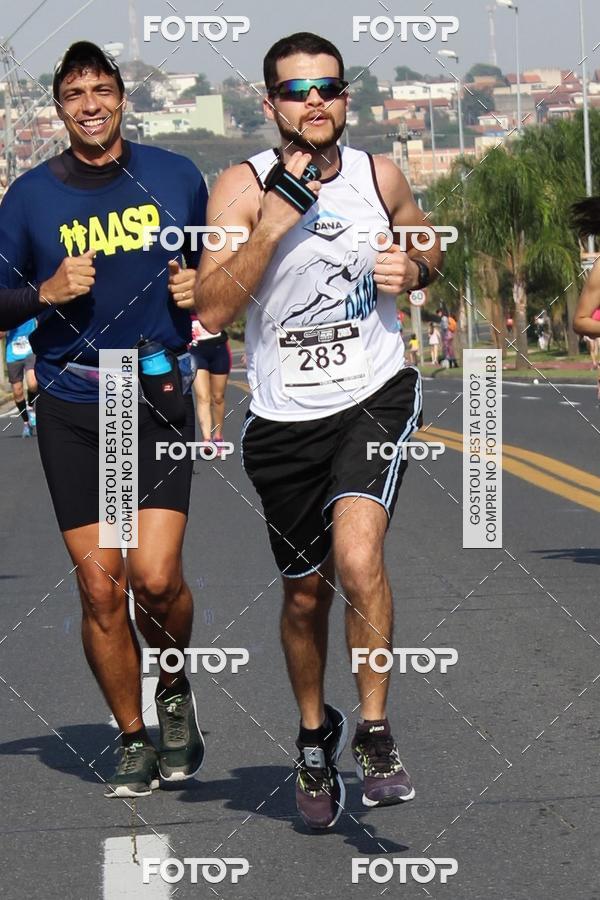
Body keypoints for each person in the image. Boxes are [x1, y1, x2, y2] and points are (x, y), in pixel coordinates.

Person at [196, 32, 444, 830]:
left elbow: (424, 239)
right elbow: (210, 308)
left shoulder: (380, 174)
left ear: (345, 99)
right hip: (282, 418)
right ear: (270, 104)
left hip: (373, 391)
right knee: (305, 595)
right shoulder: (239, 187)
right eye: (296, 89)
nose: (313, 101)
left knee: (359, 552)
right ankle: (314, 734)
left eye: (327, 88)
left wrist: (417, 266)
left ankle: (372, 732)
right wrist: (276, 219)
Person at [0, 42, 208, 798]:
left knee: (154, 578)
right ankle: (131, 734)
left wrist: (199, 289)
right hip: (74, 402)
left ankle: (175, 685)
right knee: (99, 588)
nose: (90, 103)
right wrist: (45, 292)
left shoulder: (176, 177)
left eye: (102, 89)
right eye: (74, 93)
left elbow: (218, 279)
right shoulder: (28, 198)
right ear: (58, 108)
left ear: (123, 98)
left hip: (151, 396)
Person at [189, 313, 232, 457]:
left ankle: (218, 437)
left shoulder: (211, 294)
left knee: (218, 397)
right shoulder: (183, 295)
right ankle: (206, 440)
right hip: (195, 349)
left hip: (218, 348)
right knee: (202, 396)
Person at [1, 317, 38, 436]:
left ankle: (31, 407)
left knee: (33, 383)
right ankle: (26, 423)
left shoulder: (30, 305)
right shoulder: (8, 311)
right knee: (17, 392)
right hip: (13, 354)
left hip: (30, 350)